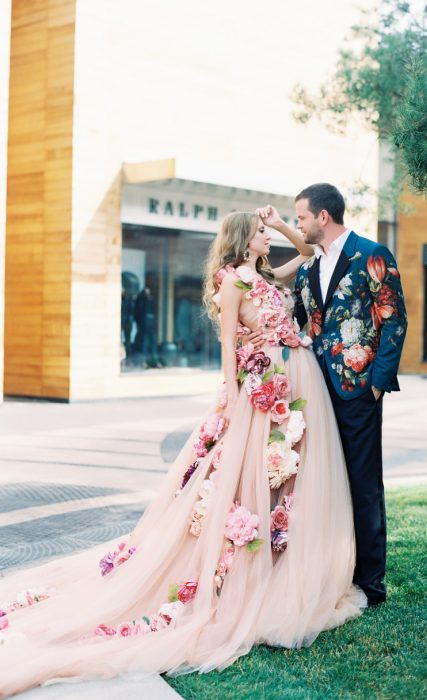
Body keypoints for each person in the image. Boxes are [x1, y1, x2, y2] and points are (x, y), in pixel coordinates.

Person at [0, 211, 366, 697]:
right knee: (250, 479)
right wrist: (232, 393)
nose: (265, 238)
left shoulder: (265, 274)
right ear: (241, 239)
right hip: (262, 385)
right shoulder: (232, 280)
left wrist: (278, 226)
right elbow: (229, 340)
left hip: (297, 380)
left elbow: (305, 253)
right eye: (258, 232)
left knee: (289, 480)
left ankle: (284, 565)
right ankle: (248, 572)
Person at [259, 183, 407, 606]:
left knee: (362, 485)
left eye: (301, 217)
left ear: (323, 216)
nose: (299, 224)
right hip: (316, 394)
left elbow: (393, 320)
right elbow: (297, 319)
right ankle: (332, 572)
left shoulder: (372, 254)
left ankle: (371, 583)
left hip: (358, 390)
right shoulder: (307, 269)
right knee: (323, 485)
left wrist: (378, 383)